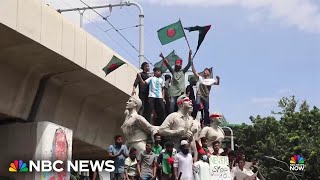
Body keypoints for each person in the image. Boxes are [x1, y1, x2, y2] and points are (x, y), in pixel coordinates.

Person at [158, 94, 200, 161]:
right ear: (180, 103)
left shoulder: (190, 120)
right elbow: (161, 130)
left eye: (190, 100)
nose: (190, 101)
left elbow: (193, 142)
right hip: (174, 152)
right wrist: (176, 132)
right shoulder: (173, 116)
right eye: (187, 100)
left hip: (187, 153)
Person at [191, 62, 220, 126]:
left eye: (207, 70)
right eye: (205, 70)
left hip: (206, 96)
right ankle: (193, 117)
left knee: (206, 110)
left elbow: (217, 83)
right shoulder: (201, 78)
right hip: (199, 94)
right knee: (197, 104)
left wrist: (218, 79)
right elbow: (194, 71)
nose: (205, 71)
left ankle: (206, 123)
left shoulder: (211, 80)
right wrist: (192, 63)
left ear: (209, 73)